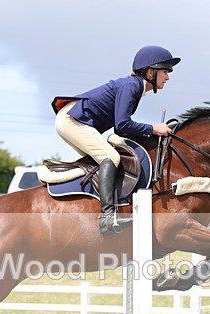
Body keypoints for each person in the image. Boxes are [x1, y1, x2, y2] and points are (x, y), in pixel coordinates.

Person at [51, 45, 180, 235]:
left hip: (73, 120)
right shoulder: (131, 86)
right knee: (110, 157)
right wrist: (154, 129)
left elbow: (122, 130)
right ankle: (107, 217)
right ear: (151, 71)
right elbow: (122, 126)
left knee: (108, 157)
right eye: (165, 72)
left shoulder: (134, 87)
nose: (168, 77)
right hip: (71, 120)